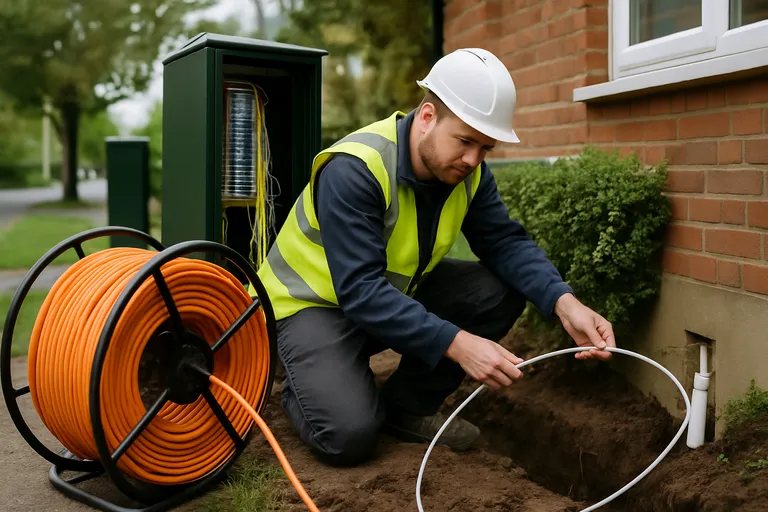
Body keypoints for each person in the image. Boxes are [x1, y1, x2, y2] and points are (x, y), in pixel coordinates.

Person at [255, 48, 616, 467]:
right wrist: (458, 344)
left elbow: (504, 243)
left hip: (382, 298)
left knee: (498, 290)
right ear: (427, 117)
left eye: (485, 148)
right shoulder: (355, 169)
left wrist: (565, 303)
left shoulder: (467, 173)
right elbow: (360, 290)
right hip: (308, 307)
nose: (473, 160)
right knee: (347, 435)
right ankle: (301, 377)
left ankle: (407, 408)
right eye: (465, 141)